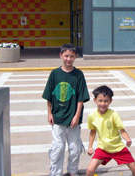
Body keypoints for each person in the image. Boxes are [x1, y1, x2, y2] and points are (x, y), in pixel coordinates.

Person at [42, 43, 90, 176]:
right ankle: (56, 172)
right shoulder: (54, 74)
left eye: (72, 56)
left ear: (75, 57)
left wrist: (77, 116)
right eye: (66, 56)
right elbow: (49, 95)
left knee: (74, 148)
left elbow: (81, 98)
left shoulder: (79, 74)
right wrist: (49, 113)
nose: (69, 59)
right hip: (57, 117)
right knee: (58, 147)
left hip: (73, 118)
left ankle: (72, 171)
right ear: (61, 55)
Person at [86, 85, 135, 176]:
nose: (103, 103)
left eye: (106, 101)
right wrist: (90, 147)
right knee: (90, 170)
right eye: (100, 101)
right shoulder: (92, 116)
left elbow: (122, 130)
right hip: (103, 148)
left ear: (110, 101)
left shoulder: (114, 114)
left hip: (118, 148)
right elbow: (93, 131)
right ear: (95, 100)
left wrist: (127, 139)